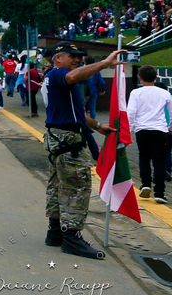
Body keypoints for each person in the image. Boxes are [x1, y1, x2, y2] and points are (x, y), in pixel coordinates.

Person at [42, 41, 120, 260]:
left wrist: (97, 125)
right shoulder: (59, 74)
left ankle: (56, 232)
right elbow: (74, 76)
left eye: (79, 56)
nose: (77, 60)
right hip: (67, 139)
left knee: (58, 185)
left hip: (59, 137)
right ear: (58, 58)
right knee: (77, 187)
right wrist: (105, 63)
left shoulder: (57, 78)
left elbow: (76, 112)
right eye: (72, 56)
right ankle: (72, 238)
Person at [128, 65, 172, 204]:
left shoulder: (135, 93)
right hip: (160, 130)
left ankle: (145, 184)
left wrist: (129, 130)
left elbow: (130, 113)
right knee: (159, 161)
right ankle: (159, 192)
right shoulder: (164, 93)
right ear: (156, 77)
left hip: (142, 130)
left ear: (139, 78)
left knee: (144, 157)